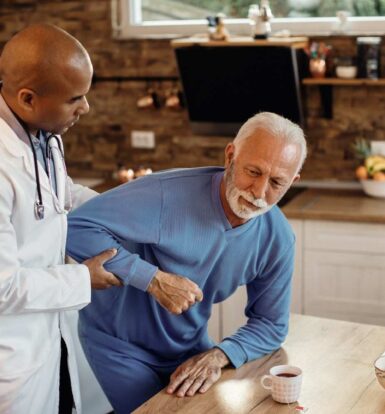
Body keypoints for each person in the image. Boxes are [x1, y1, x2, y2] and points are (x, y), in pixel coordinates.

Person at [67, 112, 307, 413]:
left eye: (276, 182)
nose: (259, 192)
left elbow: (271, 324)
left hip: (190, 347)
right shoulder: (167, 194)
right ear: (231, 154)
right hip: (119, 346)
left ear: (293, 181)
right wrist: (151, 279)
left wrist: (219, 354)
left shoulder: (278, 238)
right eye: (253, 172)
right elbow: (75, 227)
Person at [0, 24, 123, 414]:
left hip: (50, 344)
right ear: (28, 98)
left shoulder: (43, 133)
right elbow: (3, 288)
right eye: (75, 99)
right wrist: (83, 278)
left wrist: (124, 211)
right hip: (12, 360)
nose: (85, 108)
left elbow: (59, 194)